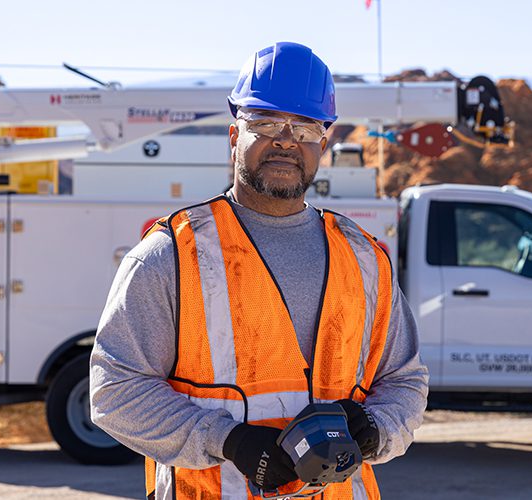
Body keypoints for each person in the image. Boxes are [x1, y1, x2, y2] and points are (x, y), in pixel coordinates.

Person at [90, 41, 428, 500]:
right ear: (235, 137)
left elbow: (404, 381)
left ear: (322, 145)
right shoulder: (172, 255)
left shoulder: (364, 259)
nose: (286, 140)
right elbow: (115, 391)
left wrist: (374, 428)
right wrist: (228, 441)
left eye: (305, 128)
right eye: (266, 122)